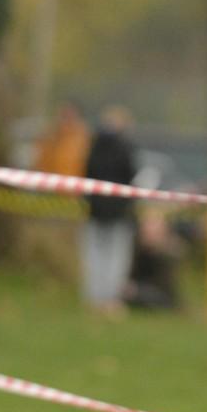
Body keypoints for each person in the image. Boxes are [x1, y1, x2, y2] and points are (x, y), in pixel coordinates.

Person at [81, 105, 138, 315]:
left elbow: (86, 173)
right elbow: (131, 174)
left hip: (95, 210)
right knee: (116, 257)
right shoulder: (125, 147)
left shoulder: (94, 145)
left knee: (94, 255)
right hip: (118, 212)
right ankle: (112, 299)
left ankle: (94, 298)